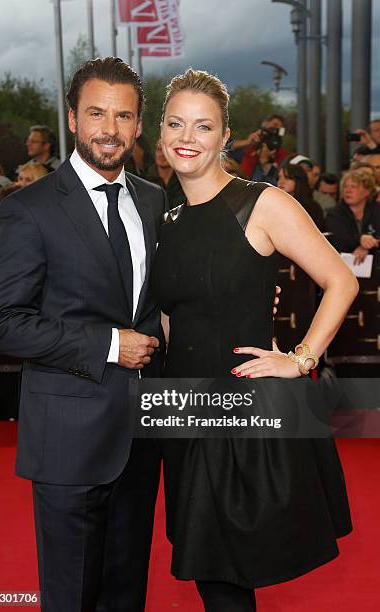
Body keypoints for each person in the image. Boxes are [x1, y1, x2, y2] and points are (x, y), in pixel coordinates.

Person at [151, 69, 357, 611]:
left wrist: (300, 359)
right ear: (161, 133)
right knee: (209, 567)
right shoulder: (166, 217)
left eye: (203, 126)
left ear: (225, 137)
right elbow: (175, 315)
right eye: (176, 123)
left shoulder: (260, 204)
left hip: (239, 403)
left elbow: (342, 280)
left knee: (225, 568)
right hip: (181, 405)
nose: (186, 137)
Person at [0, 57, 167, 612]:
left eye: (123, 116)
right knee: (71, 597)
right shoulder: (28, 210)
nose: (109, 129)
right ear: (72, 119)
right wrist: (109, 344)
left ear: (139, 126)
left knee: (126, 593)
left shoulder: (156, 202)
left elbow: (163, 303)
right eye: (96, 113)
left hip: (141, 435)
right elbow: (1, 323)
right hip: (68, 439)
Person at [324, 170, 379, 263]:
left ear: (367, 191)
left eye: (353, 186)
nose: (348, 190)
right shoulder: (334, 213)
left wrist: (367, 247)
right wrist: (360, 240)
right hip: (342, 264)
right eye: (345, 187)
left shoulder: (377, 210)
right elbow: (336, 238)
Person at [277, 163, 324, 229]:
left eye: (287, 178)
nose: (280, 182)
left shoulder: (312, 208)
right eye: (279, 177)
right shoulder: (272, 205)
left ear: (298, 180)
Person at [145, 138, 185, 207]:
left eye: (167, 151)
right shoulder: (145, 180)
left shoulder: (185, 181)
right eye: (159, 150)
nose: (162, 154)